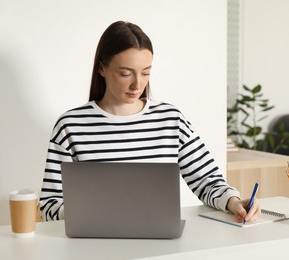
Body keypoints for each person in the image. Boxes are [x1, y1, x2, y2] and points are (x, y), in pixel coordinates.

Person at [39, 20, 260, 223]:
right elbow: (49, 205)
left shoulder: (171, 120)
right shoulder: (70, 126)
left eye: (146, 73)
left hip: (159, 241)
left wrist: (233, 201)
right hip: (95, 244)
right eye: (126, 73)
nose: (138, 84)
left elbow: (208, 181)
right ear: (102, 68)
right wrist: (87, 214)